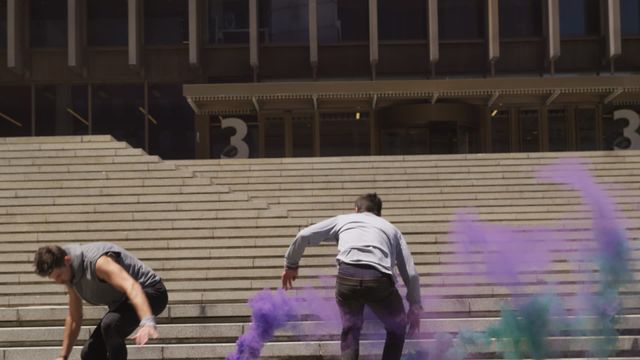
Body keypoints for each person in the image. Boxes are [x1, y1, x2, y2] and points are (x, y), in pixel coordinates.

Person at [281, 193, 422, 360]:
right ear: (379, 213)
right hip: (378, 279)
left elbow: (304, 235)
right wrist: (415, 305)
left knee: (351, 329)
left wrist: (291, 265)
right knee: (397, 326)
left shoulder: (344, 220)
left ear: (356, 210)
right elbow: (411, 274)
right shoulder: (391, 229)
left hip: (346, 278)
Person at [33, 242, 168, 360]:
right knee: (90, 353)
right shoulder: (71, 276)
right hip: (125, 300)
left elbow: (132, 286)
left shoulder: (98, 262)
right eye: (54, 278)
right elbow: (74, 318)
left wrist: (147, 321)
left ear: (67, 260)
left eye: (59, 275)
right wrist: (63, 356)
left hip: (151, 292)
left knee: (110, 325)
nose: (59, 281)